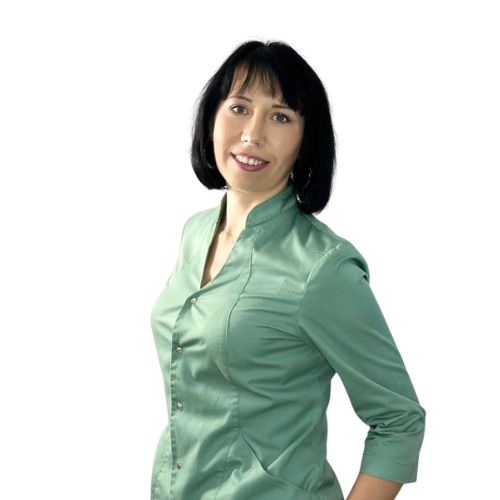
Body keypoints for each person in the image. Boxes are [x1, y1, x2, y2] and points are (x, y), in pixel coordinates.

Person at [149, 40, 426, 500]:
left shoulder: (323, 269)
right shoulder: (195, 233)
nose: (252, 134)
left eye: (280, 117)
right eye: (239, 108)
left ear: (305, 141)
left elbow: (399, 420)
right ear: (212, 117)